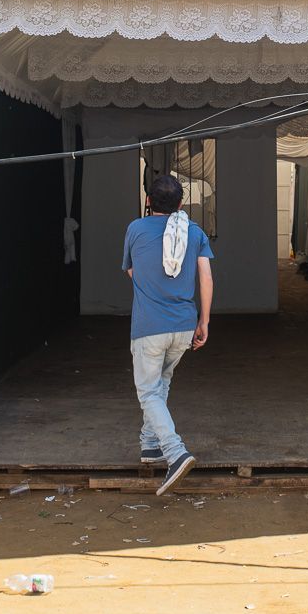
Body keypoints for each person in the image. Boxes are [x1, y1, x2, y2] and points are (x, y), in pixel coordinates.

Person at [122, 173, 214, 496]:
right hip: (183, 326)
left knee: (147, 392)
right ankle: (150, 446)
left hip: (149, 328)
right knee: (161, 383)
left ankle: (175, 453)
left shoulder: (135, 229)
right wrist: (204, 320)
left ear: (148, 201)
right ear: (180, 204)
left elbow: (132, 271)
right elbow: (205, 278)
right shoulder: (194, 232)